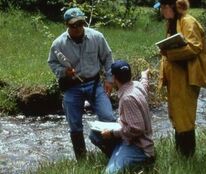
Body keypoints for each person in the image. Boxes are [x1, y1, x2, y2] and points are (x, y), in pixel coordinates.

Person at [47, 7, 116, 161]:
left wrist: (110, 79)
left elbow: (108, 58)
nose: (78, 28)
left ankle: (112, 152)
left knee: (108, 117)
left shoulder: (97, 37)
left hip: (95, 83)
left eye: (80, 23)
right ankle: (82, 160)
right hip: (72, 87)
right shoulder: (58, 44)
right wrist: (64, 72)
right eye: (73, 25)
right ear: (67, 25)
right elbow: (52, 63)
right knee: (75, 125)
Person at [154, 0, 206, 157]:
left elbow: (194, 47)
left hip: (186, 76)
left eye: (164, 7)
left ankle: (188, 156)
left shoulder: (188, 21)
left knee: (185, 116)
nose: (162, 12)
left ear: (173, 7)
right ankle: (181, 154)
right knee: (176, 114)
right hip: (175, 76)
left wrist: (169, 53)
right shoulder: (173, 22)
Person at [101, 60, 155, 174]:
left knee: (109, 173)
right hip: (129, 140)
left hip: (139, 147)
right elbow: (144, 84)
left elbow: (136, 129)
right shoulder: (136, 85)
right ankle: (119, 155)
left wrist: (112, 133)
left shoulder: (127, 98)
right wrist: (144, 75)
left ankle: (143, 161)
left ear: (115, 78)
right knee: (95, 135)